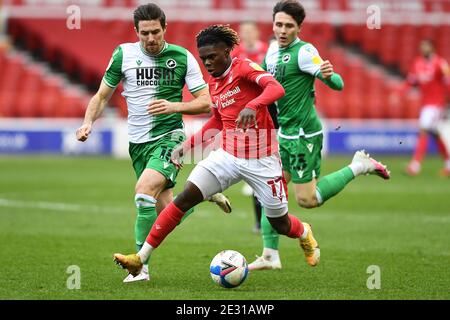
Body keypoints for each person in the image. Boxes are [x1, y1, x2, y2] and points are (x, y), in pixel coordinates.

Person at [113, 24, 321, 279]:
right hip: (228, 156)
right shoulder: (214, 85)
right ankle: (140, 259)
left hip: (263, 159)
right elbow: (217, 122)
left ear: (227, 51)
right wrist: (186, 148)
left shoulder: (243, 67)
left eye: (213, 56)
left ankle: (304, 232)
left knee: (280, 222)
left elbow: (276, 88)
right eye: (204, 59)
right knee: (184, 198)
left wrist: (253, 105)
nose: (208, 62)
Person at [76, 3, 230, 283]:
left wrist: (173, 106)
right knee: (168, 210)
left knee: (143, 191)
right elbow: (101, 96)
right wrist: (88, 122)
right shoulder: (123, 54)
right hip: (138, 144)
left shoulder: (182, 57)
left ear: (165, 29)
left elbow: (207, 102)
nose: (150, 38)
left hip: (170, 137)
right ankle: (203, 193)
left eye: (155, 32)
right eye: (144, 33)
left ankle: (139, 267)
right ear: (135, 31)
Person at [248, 0, 391, 271]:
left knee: (306, 200)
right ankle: (270, 255)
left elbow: (338, 84)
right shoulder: (271, 51)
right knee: (269, 191)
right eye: (278, 24)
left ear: (299, 28)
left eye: (289, 26)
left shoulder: (304, 52)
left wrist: (329, 74)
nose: (282, 30)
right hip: (283, 134)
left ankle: (358, 165)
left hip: (303, 135)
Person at [232, 21, 278, 234]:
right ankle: (260, 222)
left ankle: (273, 216)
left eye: (251, 31)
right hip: (247, 112)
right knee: (255, 163)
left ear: (257, 33)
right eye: (244, 32)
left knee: (270, 163)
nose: (248, 35)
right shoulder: (237, 54)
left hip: (269, 109)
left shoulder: (268, 51)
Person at [401, 39, 450, 177]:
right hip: (425, 104)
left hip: (436, 104)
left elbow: (448, 82)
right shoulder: (417, 63)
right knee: (435, 134)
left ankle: (415, 165)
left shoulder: (440, 63)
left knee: (423, 129)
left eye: (426, 46)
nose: (423, 48)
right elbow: (411, 81)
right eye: (422, 46)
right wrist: (400, 92)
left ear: (433, 48)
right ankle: (448, 164)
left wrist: (447, 102)